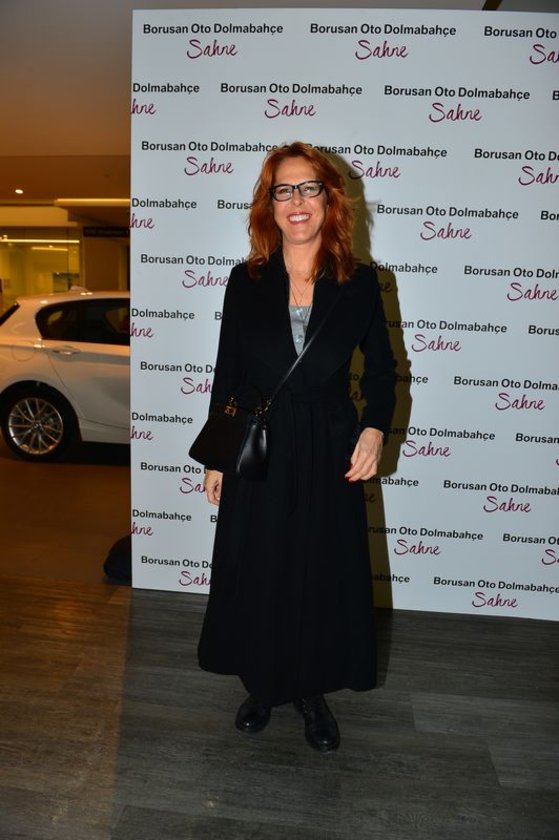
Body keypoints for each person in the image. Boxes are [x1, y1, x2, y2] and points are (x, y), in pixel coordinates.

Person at [199, 141, 396, 753]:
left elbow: (384, 372)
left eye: (309, 187)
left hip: (329, 444)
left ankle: (310, 690)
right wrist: (218, 456)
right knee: (261, 568)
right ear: (270, 204)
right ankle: (264, 684)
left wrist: (373, 428)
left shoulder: (361, 283)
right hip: (260, 445)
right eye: (284, 190)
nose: (297, 201)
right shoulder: (246, 280)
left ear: (330, 199)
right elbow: (228, 370)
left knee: (319, 571)